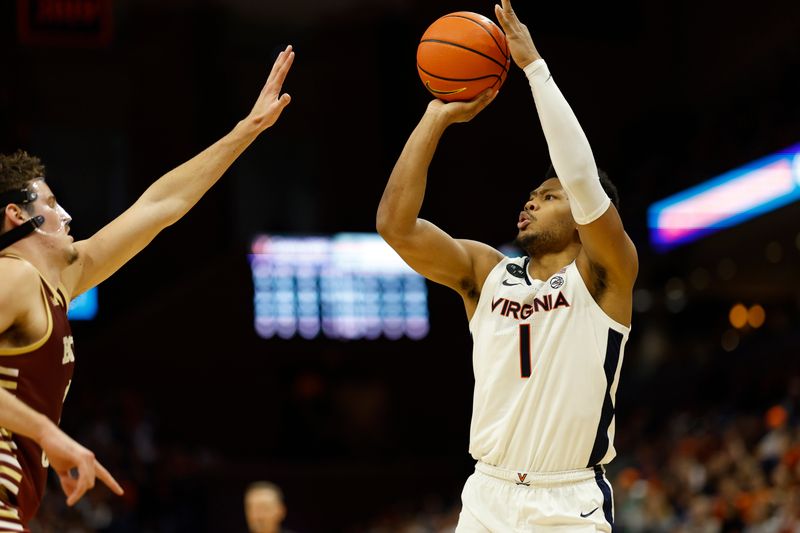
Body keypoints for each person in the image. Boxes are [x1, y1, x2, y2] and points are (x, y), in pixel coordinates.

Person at [0, 45, 295, 530]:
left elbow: (162, 203)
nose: (64, 213)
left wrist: (248, 130)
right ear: (18, 214)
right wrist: (52, 437)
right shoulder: (13, 276)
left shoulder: (61, 279)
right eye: (51, 202)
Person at [376, 0, 638, 530]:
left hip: (568, 502)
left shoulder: (605, 275)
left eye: (549, 196)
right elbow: (394, 226)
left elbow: (582, 178)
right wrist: (436, 116)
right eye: (531, 195)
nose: (531, 202)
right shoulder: (486, 272)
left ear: (586, 219)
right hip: (488, 494)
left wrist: (534, 69)